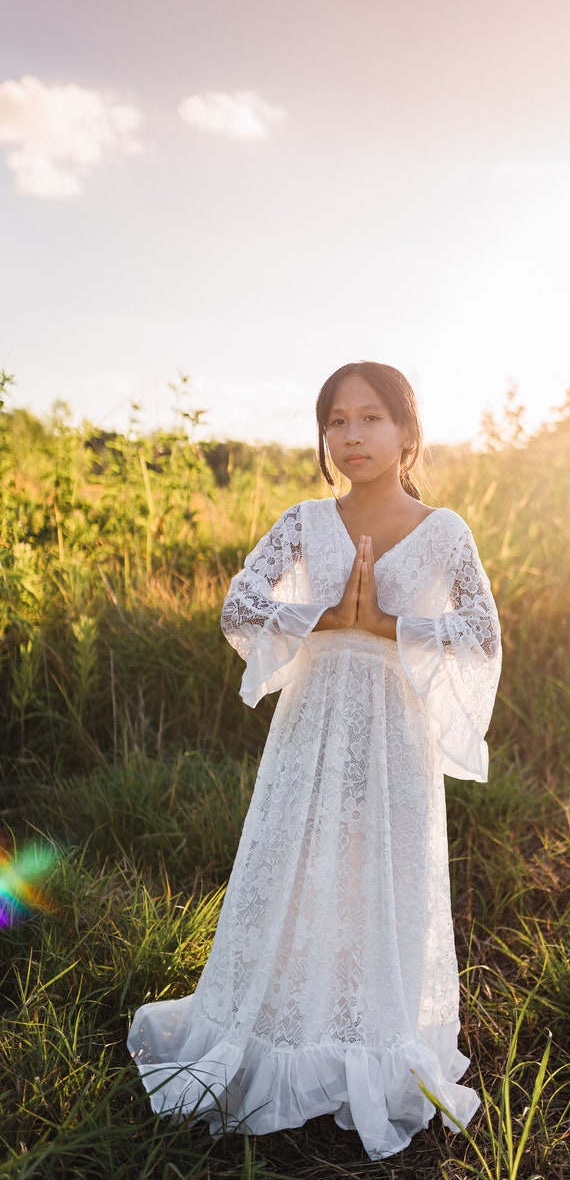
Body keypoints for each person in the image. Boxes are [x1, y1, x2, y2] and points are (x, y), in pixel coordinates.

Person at [127, 361, 502, 1160]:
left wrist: (391, 625)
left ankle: (371, 1036)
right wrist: (327, 613)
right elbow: (240, 602)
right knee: (300, 865)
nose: (352, 434)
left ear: (407, 431)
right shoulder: (303, 520)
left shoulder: (445, 532)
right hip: (313, 722)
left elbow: (481, 634)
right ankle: (283, 1026)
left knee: (381, 871)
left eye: (371, 418)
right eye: (336, 420)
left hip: (393, 731)